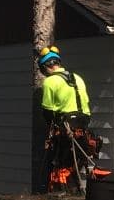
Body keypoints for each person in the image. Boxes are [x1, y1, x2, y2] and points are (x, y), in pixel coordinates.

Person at [37, 46, 94, 190]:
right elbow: (86, 102)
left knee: (60, 163)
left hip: (66, 126)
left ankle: (61, 192)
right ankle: (74, 189)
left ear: (45, 67)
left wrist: (50, 127)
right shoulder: (78, 78)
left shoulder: (50, 82)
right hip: (83, 124)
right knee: (74, 163)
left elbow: (47, 111)